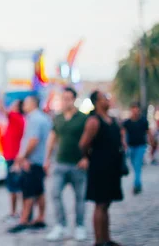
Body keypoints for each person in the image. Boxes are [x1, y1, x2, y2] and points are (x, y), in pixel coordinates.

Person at [79, 91, 124, 246]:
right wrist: (88, 157)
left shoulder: (112, 120)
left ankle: (107, 238)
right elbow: (83, 144)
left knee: (107, 204)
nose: (107, 99)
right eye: (104, 97)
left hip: (112, 167)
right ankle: (99, 241)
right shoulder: (94, 121)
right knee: (100, 204)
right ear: (97, 102)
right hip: (100, 168)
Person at [44, 87, 88, 241]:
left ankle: (80, 226)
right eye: (63, 98)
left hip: (78, 164)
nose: (65, 101)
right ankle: (60, 226)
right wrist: (47, 159)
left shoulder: (83, 118)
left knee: (80, 198)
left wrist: (86, 157)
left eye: (68, 98)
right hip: (60, 163)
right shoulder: (58, 118)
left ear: (74, 99)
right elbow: (52, 138)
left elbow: (91, 140)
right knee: (55, 193)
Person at [8, 95, 52, 233]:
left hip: (32, 161)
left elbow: (33, 140)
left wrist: (23, 157)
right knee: (39, 191)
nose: (23, 106)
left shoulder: (34, 119)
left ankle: (24, 220)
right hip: (40, 160)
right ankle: (40, 218)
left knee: (28, 191)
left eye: (26, 103)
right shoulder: (44, 118)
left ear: (33, 104)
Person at [0, 97, 25, 222]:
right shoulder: (18, 119)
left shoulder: (15, 117)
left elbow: (1, 108)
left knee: (13, 187)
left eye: (14, 104)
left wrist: (0, 95)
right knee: (16, 187)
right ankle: (19, 212)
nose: (12, 106)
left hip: (12, 157)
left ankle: (14, 213)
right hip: (13, 156)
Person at [122, 102, 154, 194]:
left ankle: (137, 185)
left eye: (136, 108)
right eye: (133, 108)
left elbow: (149, 132)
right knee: (134, 165)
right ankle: (138, 184)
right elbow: (123, 134)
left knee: (137, 165)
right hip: (131, 147)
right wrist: (124, 143)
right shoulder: (127, 122)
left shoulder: (143, 121)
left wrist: (152, 143)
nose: (135, 110)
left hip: (141, 146)